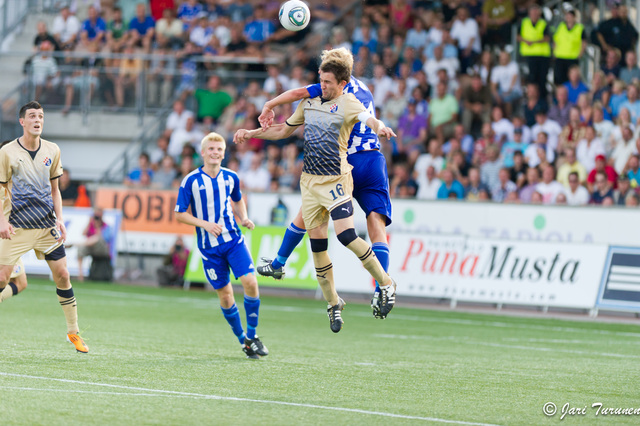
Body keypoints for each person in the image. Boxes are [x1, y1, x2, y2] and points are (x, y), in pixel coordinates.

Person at [234, 48, 398, 331]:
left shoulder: (344, 99)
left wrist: (380, 125)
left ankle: (384, 283)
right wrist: (251, 133)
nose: (321, 85)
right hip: (328, 175)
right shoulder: (325, 98)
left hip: (339, 173)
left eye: (326, 81)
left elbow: (364, 117)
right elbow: (285, 129)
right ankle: (336, 302)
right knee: (331, 239)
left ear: (340, 81)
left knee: (346, 235)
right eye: (320, 81)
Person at [0, 101, 88, 353]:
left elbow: (55, 190)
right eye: (32, 116)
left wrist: (59, 218)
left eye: (40, 116)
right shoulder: (7, 152)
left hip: (46, 226)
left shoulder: (53, 150)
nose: (37, 119)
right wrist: (2, 221)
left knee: (63, 274)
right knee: (3, 278)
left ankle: (74, 333)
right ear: (22, 122)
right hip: (16, 226)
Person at [175, 132, 268, 359]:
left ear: (224, 154)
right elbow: (179, 214)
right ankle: (243, 340)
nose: (215, 153)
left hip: (233, 240)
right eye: (211, 149)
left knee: (250, 281)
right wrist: (204, 224)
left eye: (219, 150)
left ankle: (253, 336)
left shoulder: (231, 177)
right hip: (209, 248)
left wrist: (244, 217)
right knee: (226, 296)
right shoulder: (190, 181)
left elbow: (237, 199)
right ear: (203, 152)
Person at [517, 5, 551, 97]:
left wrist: (534, 41)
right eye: (533, 12)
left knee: (542, 80)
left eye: (536, 12)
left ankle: (542, 98)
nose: (534, 15)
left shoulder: (544, 23)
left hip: (542, 55)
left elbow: (547, 38)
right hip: (528, 55)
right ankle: (531, 98)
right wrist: (526, 41)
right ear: (529, 13)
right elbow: (518, 36)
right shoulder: (524, 22)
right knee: (531, 79)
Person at [76, 208, 113, 282]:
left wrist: (98, 227)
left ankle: (76, 244)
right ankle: (80, 274)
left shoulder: (106, 226)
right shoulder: (91, 225)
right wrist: (89, 223)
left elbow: (104, 239)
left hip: (102, 249)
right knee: (80, 249)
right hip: (91, 247)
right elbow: (83, 234)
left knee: (97, 238)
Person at [552, 9, 586, 85]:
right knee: (559, 79)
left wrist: (579, 54)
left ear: (574, 17)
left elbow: (583, 43)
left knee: (572, 79)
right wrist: (554, 52)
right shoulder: (561, 26)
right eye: (567, 16)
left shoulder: (579, 28)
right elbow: (555, 40)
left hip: (572, 58)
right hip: (560, 57)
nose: (568, 18)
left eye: (570, 16)